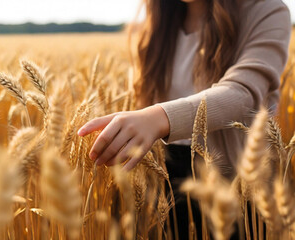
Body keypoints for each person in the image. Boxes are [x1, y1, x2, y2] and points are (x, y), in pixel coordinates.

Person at [78, 0, 291, 238]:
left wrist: (158, 118)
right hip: (163, 180)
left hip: (236, 184)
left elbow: (244, 92)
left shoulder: (266, 9)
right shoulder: (159, 21)